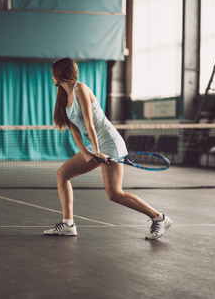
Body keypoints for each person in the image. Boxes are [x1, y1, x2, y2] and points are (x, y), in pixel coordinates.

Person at [43, 58, 172, 240]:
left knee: (115, 194)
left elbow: (89, 122)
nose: (51, 77)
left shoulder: (80, 88)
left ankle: (160, 218)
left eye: (53, 73)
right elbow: (75, 130)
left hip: (110, 143)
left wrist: (96, 150)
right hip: (94, 145)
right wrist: (85, 151)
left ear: (61, 73)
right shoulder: (63, 97)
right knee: (62, 174)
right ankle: (68, 224)